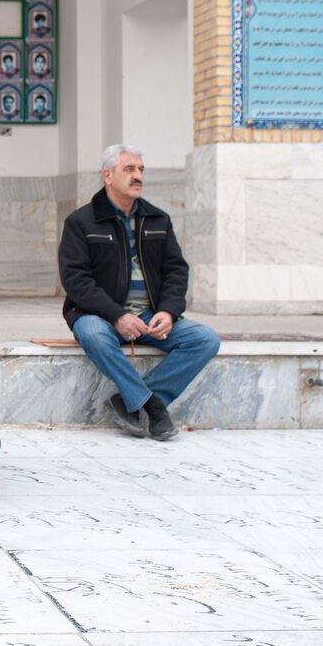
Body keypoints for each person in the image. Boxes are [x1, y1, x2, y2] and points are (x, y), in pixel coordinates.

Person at [59, 144, 220, 440]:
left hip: (149, 315)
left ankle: (132, 399)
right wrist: (117, 315)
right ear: (108, 175)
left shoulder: (157, 219)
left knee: (205, 339)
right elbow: (75, 279)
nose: (138, 176)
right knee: (94, 334)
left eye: (141, 170)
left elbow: (176, 270)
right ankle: (152, 407)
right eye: (129, 169)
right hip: (99, 315)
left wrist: (168, 311)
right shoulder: (81, 222)